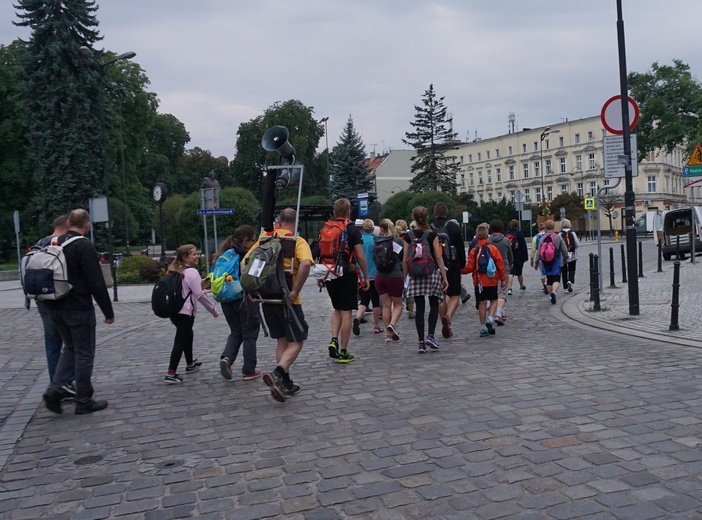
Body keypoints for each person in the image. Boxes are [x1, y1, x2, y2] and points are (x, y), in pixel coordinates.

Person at [41, 209, 114, 415]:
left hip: (55, 306)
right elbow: (96, 283)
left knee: (69, 348)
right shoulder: (83, 245)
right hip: (78, 308)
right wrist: (108, 311)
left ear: (68, 223)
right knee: (84, 353)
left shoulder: (53, 243)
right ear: (87, 224)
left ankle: (55, 389)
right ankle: (83, 400)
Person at [253, 208, 313, 401]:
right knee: (297, 340)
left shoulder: (265, 239)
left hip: (267, 298)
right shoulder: (296, 241)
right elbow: (305, 264)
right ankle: (278, 372)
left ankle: (285, 384)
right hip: (288, 299)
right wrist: (295, 290)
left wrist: (255, 287)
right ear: (295, 222)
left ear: (279, 221)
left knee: (281, 341)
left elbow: (246, 263)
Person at [30, 215, 74, 396]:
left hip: (41, 298)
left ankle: (55, 384)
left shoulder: (39, 243)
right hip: (61, 298)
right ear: (68, 225)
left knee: (52, 343)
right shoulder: (66, 243)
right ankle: (66, 383)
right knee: (71, 343)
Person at [322, 198, 370, 364]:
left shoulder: (327, 227)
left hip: (330, 273)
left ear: (335, 212)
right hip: (347, 274)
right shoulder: (352, 229)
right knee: (346, 311)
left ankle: (334, 339)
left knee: (336, 309)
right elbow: (360, 255)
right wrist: (364, 276)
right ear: (349, 212)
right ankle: (343, 351)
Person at [164, 244, 220, 384]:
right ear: (185, 258)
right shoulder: (192, 272)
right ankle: (171, 373)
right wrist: (214, 310)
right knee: (181, 339)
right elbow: (200, 295)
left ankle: (190, 364)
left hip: (174, 310)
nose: (197, 257)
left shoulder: (174, 270)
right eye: (194, 254)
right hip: (185, 311)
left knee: (187, 334)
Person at [217, 225, 261, 381]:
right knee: (250, 334)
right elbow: (254, 277)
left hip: (226, 298)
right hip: (244, 298)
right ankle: (249, 370)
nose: (255, 244)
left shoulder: (225, 253)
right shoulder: (247, 255)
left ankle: (227, 359)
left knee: (236, 331)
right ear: (245, 240)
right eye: (253, 241)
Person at [403, 206, 449, 354]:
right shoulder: (432, 234)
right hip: (431, 273)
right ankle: (431, 335)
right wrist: (444, 276)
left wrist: (405, 278)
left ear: (414, 218)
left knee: (420, 307)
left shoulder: (408, 236)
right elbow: (438, 257)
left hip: (415, 275)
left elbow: (404, 260)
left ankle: (421, 343)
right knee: (434, 304)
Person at [461, 223, 506, 338]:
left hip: (479, 281)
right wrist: (502, 278)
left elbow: (470, 268)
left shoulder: (474, 251)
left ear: (477, 236)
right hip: (491, 280)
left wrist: (460, 270)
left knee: (482, 303)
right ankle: (490, 319)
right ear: (487, 235)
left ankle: (482, 327)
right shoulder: (493, 249)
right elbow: (500, 265)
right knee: (494, 300)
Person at [431, 203, 466, 339]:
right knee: (455, 295)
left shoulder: (430, 228)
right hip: (452, 265)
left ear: (434, 213)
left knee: (441, 296)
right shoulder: (453, 226)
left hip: (436, 267)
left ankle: (443, 323)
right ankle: (448, 318)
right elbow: (460, 247)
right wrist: (461, 264)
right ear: (447, 212)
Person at [374, 218, 404, 343]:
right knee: (398, 304)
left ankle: (388, 334)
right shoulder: (397, 241)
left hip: (379, 276)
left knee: (386, 305)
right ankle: (392, 324)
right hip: (394, 275)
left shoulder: (376, 241)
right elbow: (401, 257)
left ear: (381, 228)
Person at [354, 219, 382, 335]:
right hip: (374, 274)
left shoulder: (358, 241)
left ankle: (358, 317)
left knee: (363, 299)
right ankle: (376, 326)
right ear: (372, 228)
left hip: (360, 275)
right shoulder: (375, 241)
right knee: (375, 300)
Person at [534, 219, 569, 304]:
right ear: (553, 227)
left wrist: (536, 262)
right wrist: (566, 258)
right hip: (556, 260)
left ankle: (550, 296)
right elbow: (564, 249)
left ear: (545, 227)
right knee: (556, 279)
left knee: (549, 279)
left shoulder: (543, 238)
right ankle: (554, 292)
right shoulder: (557, 237)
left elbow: (539, 251)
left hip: (545, 261)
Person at [487, 219, 513, 326]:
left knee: (494, 291)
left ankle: (499, 312)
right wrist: (511, 264)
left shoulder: (488, 240)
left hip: (491, 269)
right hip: (503, 267)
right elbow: (510, 255)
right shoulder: (506, 240)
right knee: (502, 292)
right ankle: (498, 313)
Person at [395, 219, 414, 320]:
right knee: (409, 288)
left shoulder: (394, 238)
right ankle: (411, 311)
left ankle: (393, 309)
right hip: (407, 264)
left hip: (396, 268)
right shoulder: (409, 237)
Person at [505, 219, 528, 295]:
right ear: (517, 225)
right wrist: (525, 256)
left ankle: (509, 289)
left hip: (509, 255)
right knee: (519, 273)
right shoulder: (520, 233)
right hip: (519, 256)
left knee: (510, 273)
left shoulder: (506, 234)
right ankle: (521, 287)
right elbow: (524, 246)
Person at [560, 218, 580, 293]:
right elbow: (577, 244)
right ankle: (570, 280)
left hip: (563, 256)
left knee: (564, 270)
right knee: (572, 269)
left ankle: (565, 286)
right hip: (573, 254)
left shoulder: (560, 234)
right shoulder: (573, 233)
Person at [531, 222, 548, 294]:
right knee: (548, 271)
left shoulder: (535, 237)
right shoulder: (548, 235)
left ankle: (545, 285)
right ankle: (548, 284)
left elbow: (533, 249)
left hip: (540, 256)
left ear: (538, 229)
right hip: (549, 256)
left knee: (542, 272)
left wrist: (532, 259)